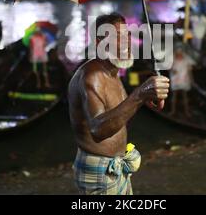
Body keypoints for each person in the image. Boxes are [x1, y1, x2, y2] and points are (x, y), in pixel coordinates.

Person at [68, 13, 170, 195]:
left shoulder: (112, 71)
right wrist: (139, 95)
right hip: (100, 171)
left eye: (127, 35)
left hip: (115, 166)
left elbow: (116, 112)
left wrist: (144, 99)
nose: (127, 43)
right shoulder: (93, 76)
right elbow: (98, 130)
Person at [169, 46, 195, 117]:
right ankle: (173, 111)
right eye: (178, 53)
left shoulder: (186, 60)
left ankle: (186, 112)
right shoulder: (173, 60)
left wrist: (192, 80)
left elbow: (190, 71)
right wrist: (173, 70)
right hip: (176, 80)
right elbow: (170, 69)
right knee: (174, 96)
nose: (179, 55)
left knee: (185, 97)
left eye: (180, 53)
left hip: (184, 81)